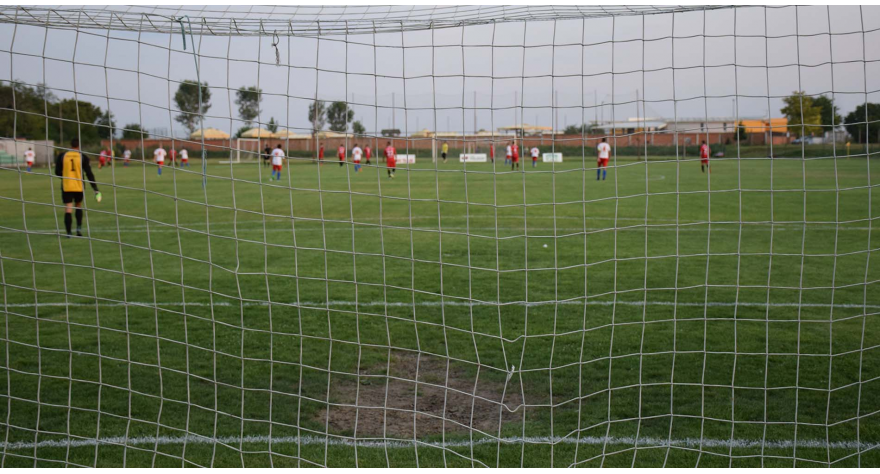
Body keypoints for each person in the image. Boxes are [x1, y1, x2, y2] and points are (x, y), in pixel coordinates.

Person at [55, 138, 100, 238]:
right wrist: (95, 188)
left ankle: (68, 233)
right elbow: (89, 173)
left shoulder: (62, 156)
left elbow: (57, 172)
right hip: (79, 186)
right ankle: (79, 229)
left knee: (68, 208)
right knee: (78, 205)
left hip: (67, 186)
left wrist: (66, 176)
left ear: (70, 145)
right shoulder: (82, 157)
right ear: (78, 146)